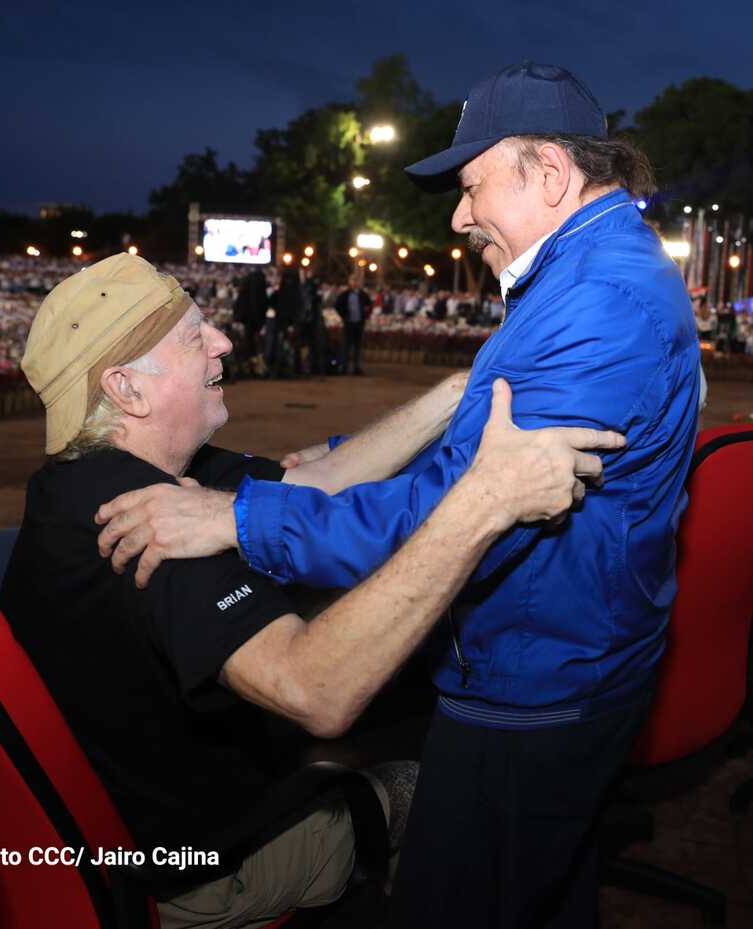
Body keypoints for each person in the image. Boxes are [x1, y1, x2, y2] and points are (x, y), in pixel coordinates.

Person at [98, 62, 702, 928]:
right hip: (561, 650)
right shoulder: (587, 272)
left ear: (549, 171)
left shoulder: (596, 301)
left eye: (471, 186)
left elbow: (463, 514)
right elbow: (477, 446)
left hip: (532, 680)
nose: (458, 215)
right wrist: (339, 458)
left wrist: (239, 515)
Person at [1, 252, 622, 929]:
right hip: (199, 866)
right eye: (195, 336)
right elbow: (316, 691)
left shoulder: (105, 475)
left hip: (128, 821)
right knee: (467, 787)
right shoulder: (145, 522)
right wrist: (486, 502)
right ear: (127, 389)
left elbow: (321, 482)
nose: (224, 342)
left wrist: (462, 389)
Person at [334, 276, 372, 374]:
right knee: (346, 346)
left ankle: (356, 367)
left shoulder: (363, 295)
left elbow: (370, 305)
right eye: (353, 280)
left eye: (356, 281)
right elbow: (337, 305)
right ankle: (344, 367)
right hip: (348, 323)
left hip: (359, 323)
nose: (355, 283)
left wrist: (366, 315)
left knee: (358, 346)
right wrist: (344, 315)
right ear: (349, 282)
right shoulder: (345, 294)